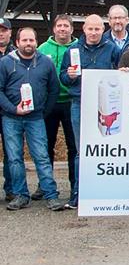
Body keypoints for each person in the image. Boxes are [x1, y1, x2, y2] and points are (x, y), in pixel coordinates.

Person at [60, 14, 121, 209]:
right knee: (81, 151)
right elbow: (62, 77)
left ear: (103, 30)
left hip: (106, 105)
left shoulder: (112, 49)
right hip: (79, 103)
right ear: (83, 29)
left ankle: (106, 192)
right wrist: (69, 76)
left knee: (106, 149)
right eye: (90, 29)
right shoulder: (72, 50)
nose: (93, 33)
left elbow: (121, 70)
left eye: (97, 29)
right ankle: (78, 194)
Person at [0, 27, 64, 211]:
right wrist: (13, 109)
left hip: (36, 117)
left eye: (31, 40)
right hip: (11, 118)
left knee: (42, 157)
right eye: (25, 40)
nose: (28, 44)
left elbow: (53, 89)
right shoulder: (5, 63)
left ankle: (51, 195)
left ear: (36, 42)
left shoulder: (45, 63)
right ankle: (21, 195)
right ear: (18, 42)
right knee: (14, 158)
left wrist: (44, 111)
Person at [34, 14, 78, 201]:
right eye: (59, 25)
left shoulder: (77, 48)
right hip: (50, 103)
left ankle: (74, 185)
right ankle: (44, 185)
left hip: (71, 101)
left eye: (66, 26)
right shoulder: (43, 49)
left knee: (73, 147)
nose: (62, 29)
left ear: (71, 29)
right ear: (53, 29)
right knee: (46, 145)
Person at [0, 17, 15, 201]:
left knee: (11, 152)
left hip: (10, 110)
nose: (1, 33)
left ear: (10, 33)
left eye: (4, 30)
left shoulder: (16, 54)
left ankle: (11, 189)